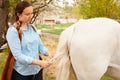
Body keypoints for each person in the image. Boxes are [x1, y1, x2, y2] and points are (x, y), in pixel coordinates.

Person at [6, 1, 53, 80]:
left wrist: (48, 53)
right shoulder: (13, 31)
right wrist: (40, 62)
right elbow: (19, 56)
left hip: (36, 72)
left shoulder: (33, 28)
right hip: (22, 75)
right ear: (19, 14)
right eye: (27, 14)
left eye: (32, 13)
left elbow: (40, 46)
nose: (30, 16)